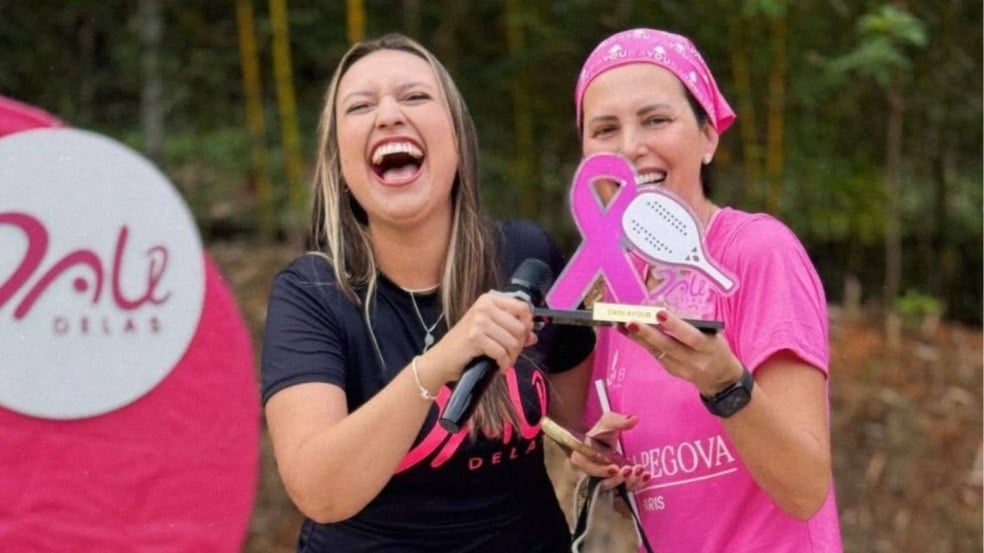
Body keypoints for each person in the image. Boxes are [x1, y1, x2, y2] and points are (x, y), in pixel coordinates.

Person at [260, 33, 597, 552]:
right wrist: (437, 364)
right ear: (339, 163)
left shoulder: (528, 257)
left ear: (458, 140)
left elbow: (586, 422)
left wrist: (601, 443)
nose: (389, 115)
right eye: (361, 106)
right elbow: (320, 493)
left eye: (415, 96)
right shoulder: (311, 294)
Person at [567, 28, 843, 551]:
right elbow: (673, 488)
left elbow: (805, 488)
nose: (630, 147)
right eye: (605, 129)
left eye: (656, 120)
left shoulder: (759, 252)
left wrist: (725, 385)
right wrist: (609, 465)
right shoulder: (614, 287)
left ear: (708, 136)